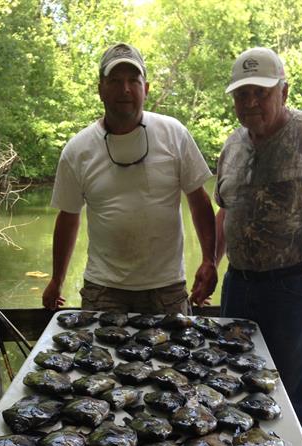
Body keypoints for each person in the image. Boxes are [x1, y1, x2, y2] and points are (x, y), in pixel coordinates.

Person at [215, 47, 302, 438]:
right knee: (233, 388)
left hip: (293, 289)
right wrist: (210, 262)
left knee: (288, 398)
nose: (251, 102)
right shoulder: (232, 144)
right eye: (242, 94)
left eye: (261, 92)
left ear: (284, 91)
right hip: (237, 286)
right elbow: (225, 212)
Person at [42, 42, 216, 315]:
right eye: (115, 81)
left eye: (133, 80)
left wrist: (209, 260)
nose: (125, 89)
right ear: (100, 89)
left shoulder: (175, 134)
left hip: (167, 288)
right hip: (103, 289)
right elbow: (68, 217)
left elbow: (199, 201)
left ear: (146, 88)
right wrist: (57, 280)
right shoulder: (77, 150)